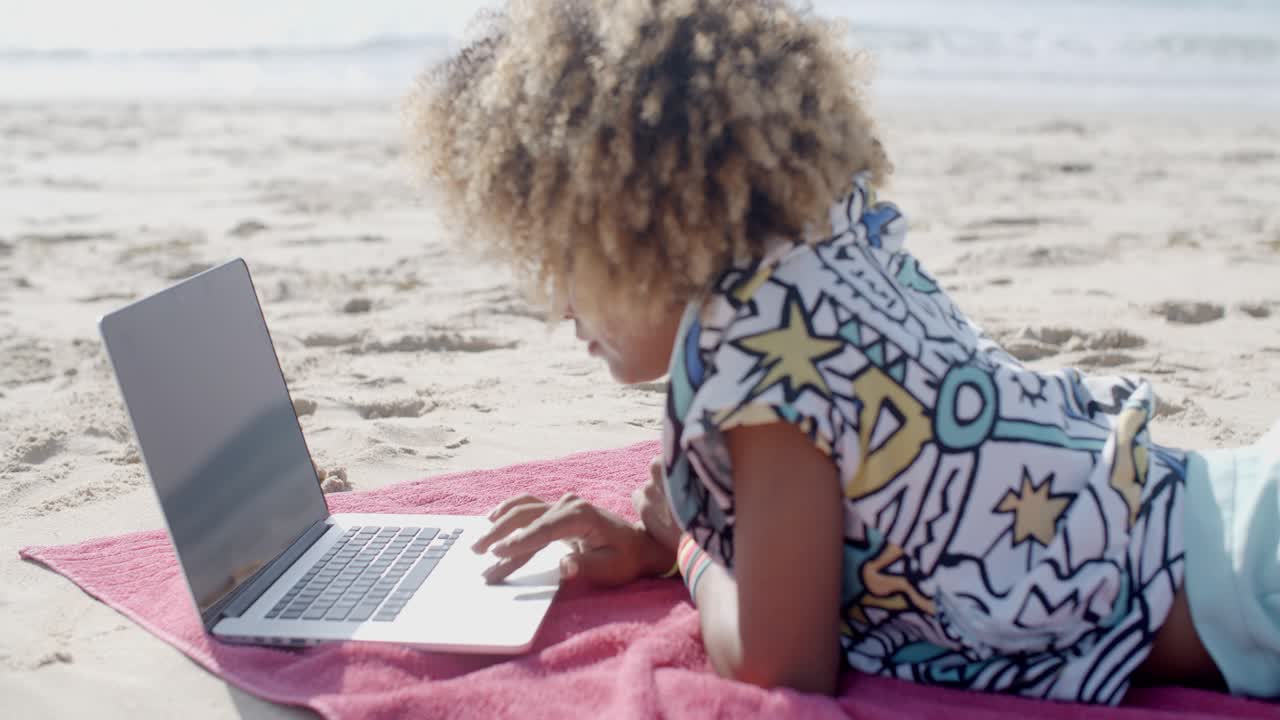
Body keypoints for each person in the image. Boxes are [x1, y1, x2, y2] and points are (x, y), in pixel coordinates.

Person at [406, 0, 1279, 703]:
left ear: (642, 224)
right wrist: (654, 543)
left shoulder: (758, 362)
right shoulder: (821, 237)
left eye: (568, 258)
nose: (558, 306)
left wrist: (690, 552)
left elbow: (782, 665)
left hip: (1251, 577)